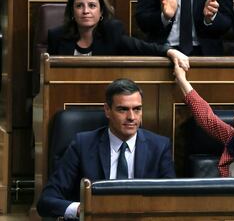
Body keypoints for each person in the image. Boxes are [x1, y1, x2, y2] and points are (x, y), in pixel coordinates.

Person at [37, 78, 176, 219]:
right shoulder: (82, 145)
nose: (132, 117)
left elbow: (173, 200)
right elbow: (47, 200)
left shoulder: (159, 146)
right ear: (107, 110)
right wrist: (82, 209)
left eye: (137, 109)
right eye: (123, 109)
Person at [47, 0, 189, 70]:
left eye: (92, 6)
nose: (85, 11)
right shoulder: (57, 37)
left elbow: (141, 47)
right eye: (79, 6)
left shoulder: (112, 32)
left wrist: (170, 51)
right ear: (72, 11)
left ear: (101, 11)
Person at [135, 0, 233, 56]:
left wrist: (210, 17)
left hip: (205, 52)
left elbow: (226, 22)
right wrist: (164, 17)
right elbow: (142, 19)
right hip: (162, 50)